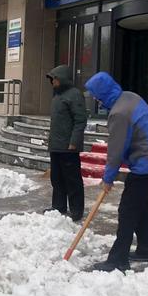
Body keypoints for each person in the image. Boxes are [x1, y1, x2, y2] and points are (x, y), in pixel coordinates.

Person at [85, 72, 148, 272]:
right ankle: (147, 249)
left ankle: (118, 259)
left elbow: (115, 151)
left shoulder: (119, 113)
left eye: (97, 95)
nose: (96, 100)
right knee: (139, 206)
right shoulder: (130, 96)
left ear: (104, 93)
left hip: (147, 163)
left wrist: (108, 178)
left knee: (127, 210)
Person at [46, 65, 87, 221]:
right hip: (56, 146)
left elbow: (80, 120)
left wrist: (74, 142)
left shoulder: (74, 95)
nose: (52, 82)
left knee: (72, 180)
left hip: (68, 147)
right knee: (56, 179)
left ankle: (76, 209)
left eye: (54, 79)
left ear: (61, 78)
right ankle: (58, 206)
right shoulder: (57, 96)